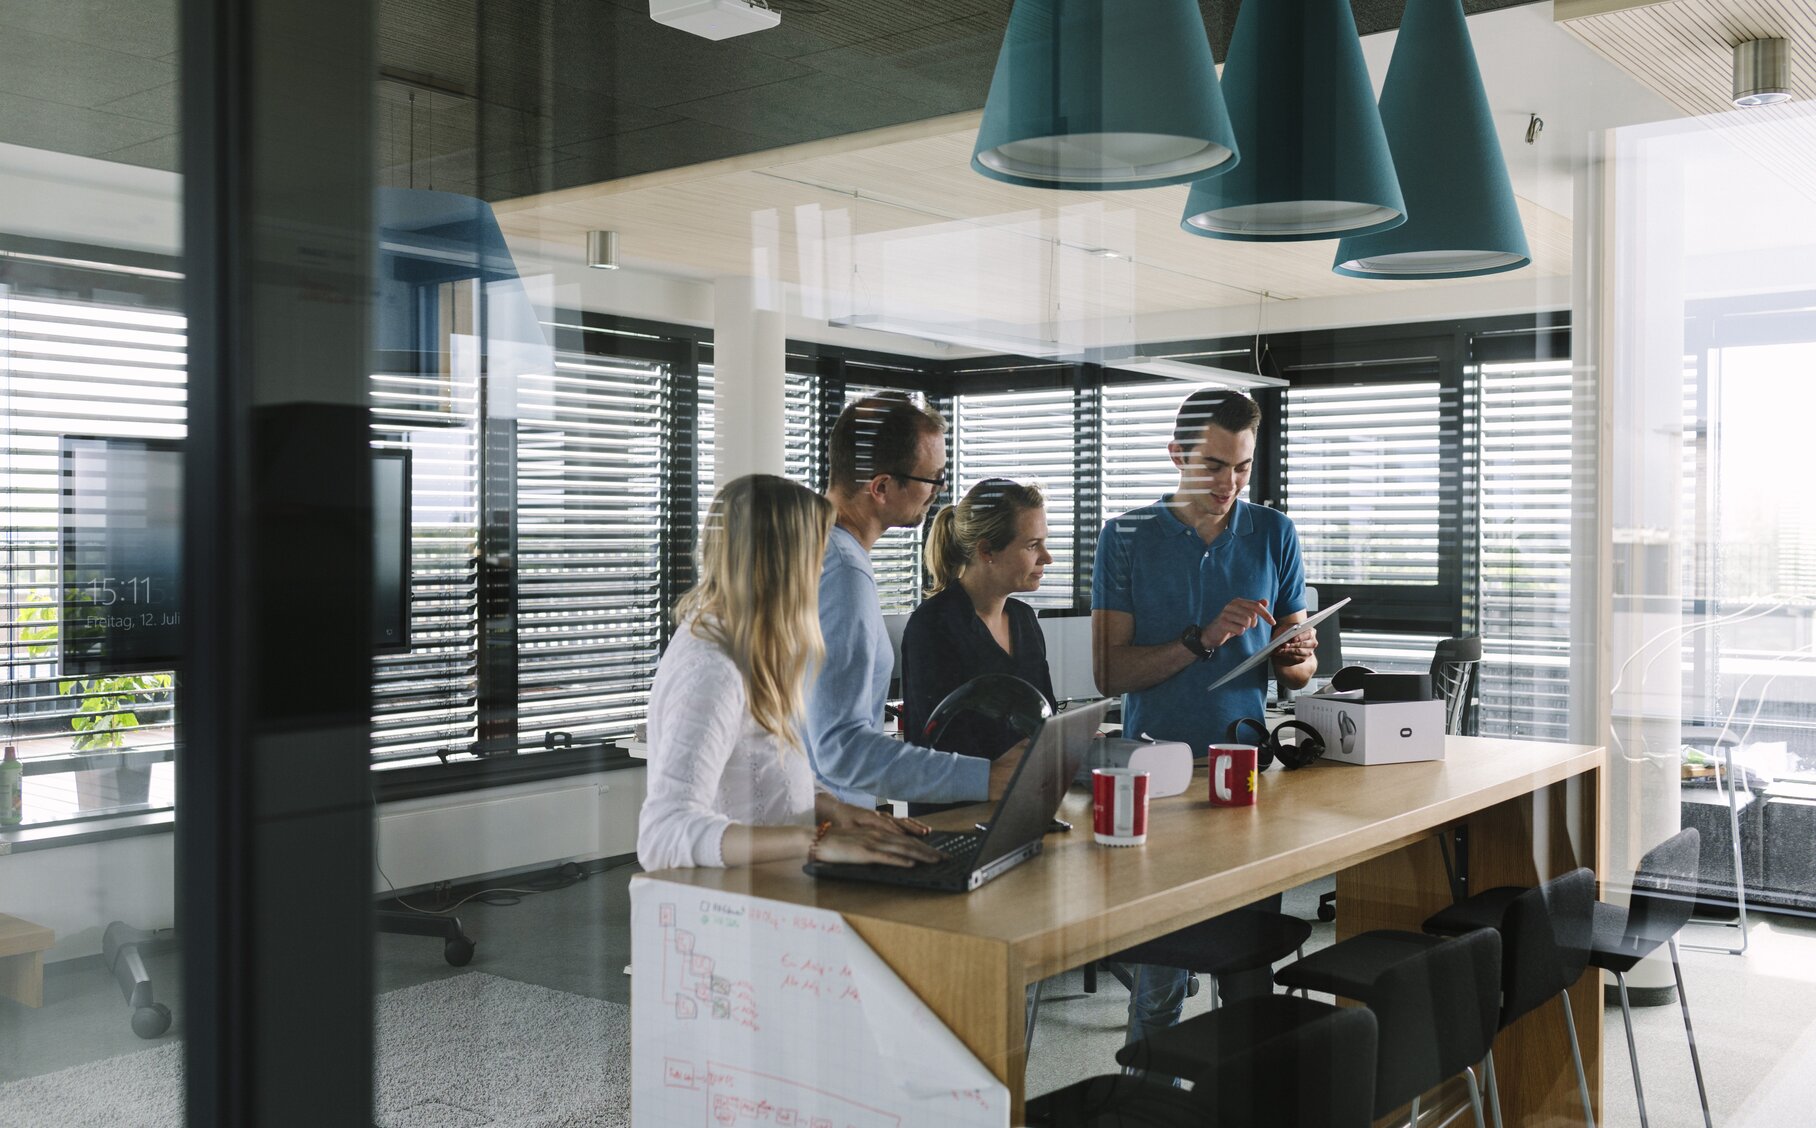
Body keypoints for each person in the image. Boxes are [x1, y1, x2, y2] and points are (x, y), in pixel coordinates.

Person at [1091, 388, 1318, 1045]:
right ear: (1176, 455)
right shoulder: (1125, 536)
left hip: (1246, 773)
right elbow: (1110, 673)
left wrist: (1296, 654)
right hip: (1157, 779)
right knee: (1162, 974)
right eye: (1214, 466)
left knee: (1248, 966)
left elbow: (1299, 670)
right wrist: (1203, 639)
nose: (1230, 483)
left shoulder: (1274, 532)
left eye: (1242, 467)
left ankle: (1245, 1092)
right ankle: (1144, 1091)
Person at [637, 474, 945, 872]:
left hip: (778, 887)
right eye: (817, 557)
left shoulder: (752, 648)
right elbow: (662, 834)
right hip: (738, 899)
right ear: (781, 563)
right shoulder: (712, 667)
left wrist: (835, 810)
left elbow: (766, 773)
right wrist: (815, 842)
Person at [807, 393, 1027, 811]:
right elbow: (839, 747)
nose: (939, 491)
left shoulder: (814, 549)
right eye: (932, 478)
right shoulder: (844, 571)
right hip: (821, 827)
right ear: (881, 487)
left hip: (822, 818)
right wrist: (988, 778)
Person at [900, 478, 1057, 814]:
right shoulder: (933, 626)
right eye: (1033, 545)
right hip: (954, 818)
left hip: (1022, 806)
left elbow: (1046, 718)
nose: (1048, 557)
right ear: (987, 552)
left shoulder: (1024, 619)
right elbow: (938, 745)